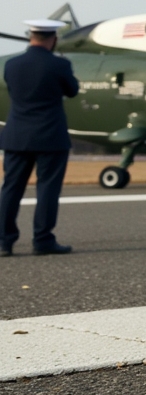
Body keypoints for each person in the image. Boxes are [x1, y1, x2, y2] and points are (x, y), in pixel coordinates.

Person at [1, 20, 80, 256]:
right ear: (52, 39)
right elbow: (72, 90)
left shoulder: (11, 64)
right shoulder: (59, 64)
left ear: (30, 36)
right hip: (50, 135)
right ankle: (43, 240)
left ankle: (4, 242)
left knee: (10, 189)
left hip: (17, 136)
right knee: (47, 190)